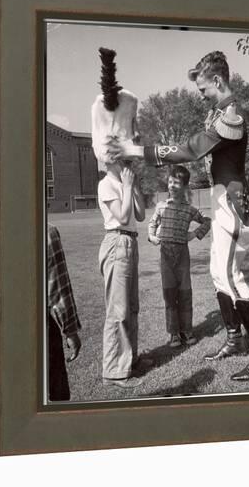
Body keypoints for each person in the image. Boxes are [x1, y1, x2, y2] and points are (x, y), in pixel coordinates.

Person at [107, 51, 249, 381]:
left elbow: (188, 150)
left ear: (217, 81)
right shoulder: (220, 115)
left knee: (231, 277)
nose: (201, 95)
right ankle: (234, 338)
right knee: (218, 274)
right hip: (222, 204)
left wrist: (134, 150)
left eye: (203, 89)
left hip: (232, 206)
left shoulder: (232, 117)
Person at [148, 165, 211, 348]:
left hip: (182, 255)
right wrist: (152, 237)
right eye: (170, 182)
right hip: (165, 256)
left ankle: (187, 330)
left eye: (176, 183)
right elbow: (152, 224)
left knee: (185, 293)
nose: (172, 186)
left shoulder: (190, 209)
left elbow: (207, 221)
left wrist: (194, 234)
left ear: (184, 186)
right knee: (169, 294)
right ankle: (174, 333)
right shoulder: (161, 207)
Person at [98, 162, 146, 388]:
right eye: (122, 160)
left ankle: (130, 360)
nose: (127, 163)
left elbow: (140, 214)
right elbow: (122, 214)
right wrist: (126, 186)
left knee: (132, 306)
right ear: (109, 162)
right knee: (118, 309)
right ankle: (114, 372)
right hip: (117, 241)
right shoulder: (105, 184)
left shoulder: (123, 183)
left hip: (129, 242)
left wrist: (134, 187)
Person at [47, 223, 82, 401]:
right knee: (55, 393)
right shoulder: (46, 232)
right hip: (38, 328)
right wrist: (71, 330)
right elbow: (58, 289)